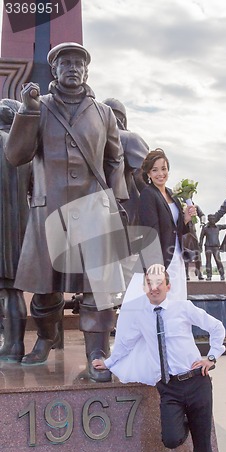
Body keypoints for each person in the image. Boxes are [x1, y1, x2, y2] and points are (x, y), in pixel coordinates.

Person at [5, 42, 128, 382]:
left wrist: (116, 198)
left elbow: (115, 159)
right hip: (50, 210)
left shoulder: (102, 113)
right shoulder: (39, 107)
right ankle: (45, 339)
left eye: (78, 63)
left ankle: (97, 354)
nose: (73, 68)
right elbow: (16, 156)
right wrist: (27, 112)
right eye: (66, 63)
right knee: (45, 289)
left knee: (96, 288)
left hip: (93, 208)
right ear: (55, 70)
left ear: (87, 71)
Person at [93, 268, 226, 452]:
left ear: (168, 286)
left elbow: (216, 327)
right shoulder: (140, 314)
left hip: (197, 382)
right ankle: (183, 419)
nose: (153, 287)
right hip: (169, 387)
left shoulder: (183, 308)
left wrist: (212, 357)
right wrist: (108, 363)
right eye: (149, 283)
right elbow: (126, 343)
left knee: (202, 441)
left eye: (158, 282)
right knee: (171, 439)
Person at [138, 148, 196, 300]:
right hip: (162, 261)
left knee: (179, 302)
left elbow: (176, 229)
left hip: (177, 257)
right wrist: (156, 268)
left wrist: (186, 218)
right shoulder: (148, 195)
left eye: (163, 169)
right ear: (148, 174)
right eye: (155, 170)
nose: (160, 174)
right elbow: (151, 233)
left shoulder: (173, 194)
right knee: (164, 305)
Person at [0, 99, 31, 362]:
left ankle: (10, 346)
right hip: (22, 228)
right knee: (13, 290)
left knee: (6, 290)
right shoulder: (25, 150)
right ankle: (14, 346)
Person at [103, 98, 148, 225]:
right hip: (125, 214)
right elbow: (144, 177)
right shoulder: (128, 138)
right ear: (123, 120)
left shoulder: (88, 139)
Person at [199, 214, 226, 281]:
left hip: (216, 247)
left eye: (214, 219)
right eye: (211, 219)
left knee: (218, 261)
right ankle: (209, 275)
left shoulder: (218, 227)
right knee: (208, 262)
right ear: (209, 220)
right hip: (208, 247)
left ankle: (222, 275)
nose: (213, 220)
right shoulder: (205, 228)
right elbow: (201, 238)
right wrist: (200, 246)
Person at [183, 202, 205, 281]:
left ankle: (199, 271)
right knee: (185, 253)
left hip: (193, 232)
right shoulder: (181, 205)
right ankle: (185, 273)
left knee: (197, 252)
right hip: (184, 232)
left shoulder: (195, 206)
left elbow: (202, 215)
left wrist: (203, 222)